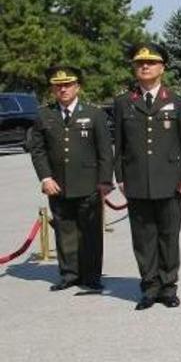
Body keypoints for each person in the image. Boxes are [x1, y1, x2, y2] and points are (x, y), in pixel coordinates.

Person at [113, 43, 181, 310]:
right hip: (137, 181)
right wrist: (120, 176)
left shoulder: (178, 101)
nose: (145, 67)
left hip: (170, 180)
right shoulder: (123, 102)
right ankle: (149, 287)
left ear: (162, 67)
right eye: (139, 63)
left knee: (169, 236)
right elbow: (120, 143)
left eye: (150, 63)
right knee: (143, 238)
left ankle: (168, 287)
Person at [29, 66, 113, 293]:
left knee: (91, 233)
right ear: (53, 89)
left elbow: (105, 150)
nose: (63, 89)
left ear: (78, 87)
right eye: (58, 86)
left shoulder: (94, 114)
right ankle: (69, 275)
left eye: (67, 85)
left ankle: (91, 276)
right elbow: (37, 150)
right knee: (64, 231)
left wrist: (105, 181)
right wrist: (45, 178)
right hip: (58, 184)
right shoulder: (44, 114)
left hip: (89, 183)